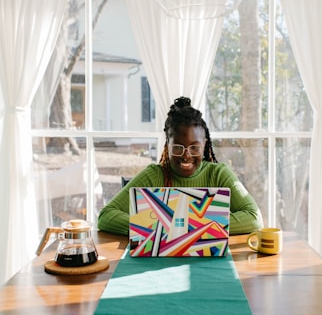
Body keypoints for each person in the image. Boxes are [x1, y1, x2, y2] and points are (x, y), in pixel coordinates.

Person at [98, 96, 263, 235]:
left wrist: (186, 228)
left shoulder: (218, 174)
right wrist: (159, 228)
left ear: (204, 145)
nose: (186, 155)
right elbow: (106, 216)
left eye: (194, 147)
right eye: (177, 147)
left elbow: (254, 218)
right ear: (167, 146)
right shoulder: (154, 175)